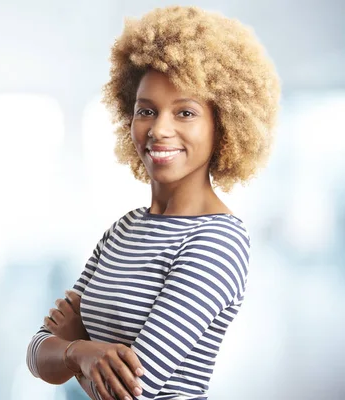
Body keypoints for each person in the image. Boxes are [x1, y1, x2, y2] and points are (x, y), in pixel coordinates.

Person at [26, 5, 280, 400]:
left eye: (185, 112)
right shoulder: (123, 229)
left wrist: (73, 347)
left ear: (224, 125)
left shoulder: (218, 241)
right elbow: (36, 352)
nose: (159, 129)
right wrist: (83, 352)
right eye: (146, 110)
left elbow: (131, 392)